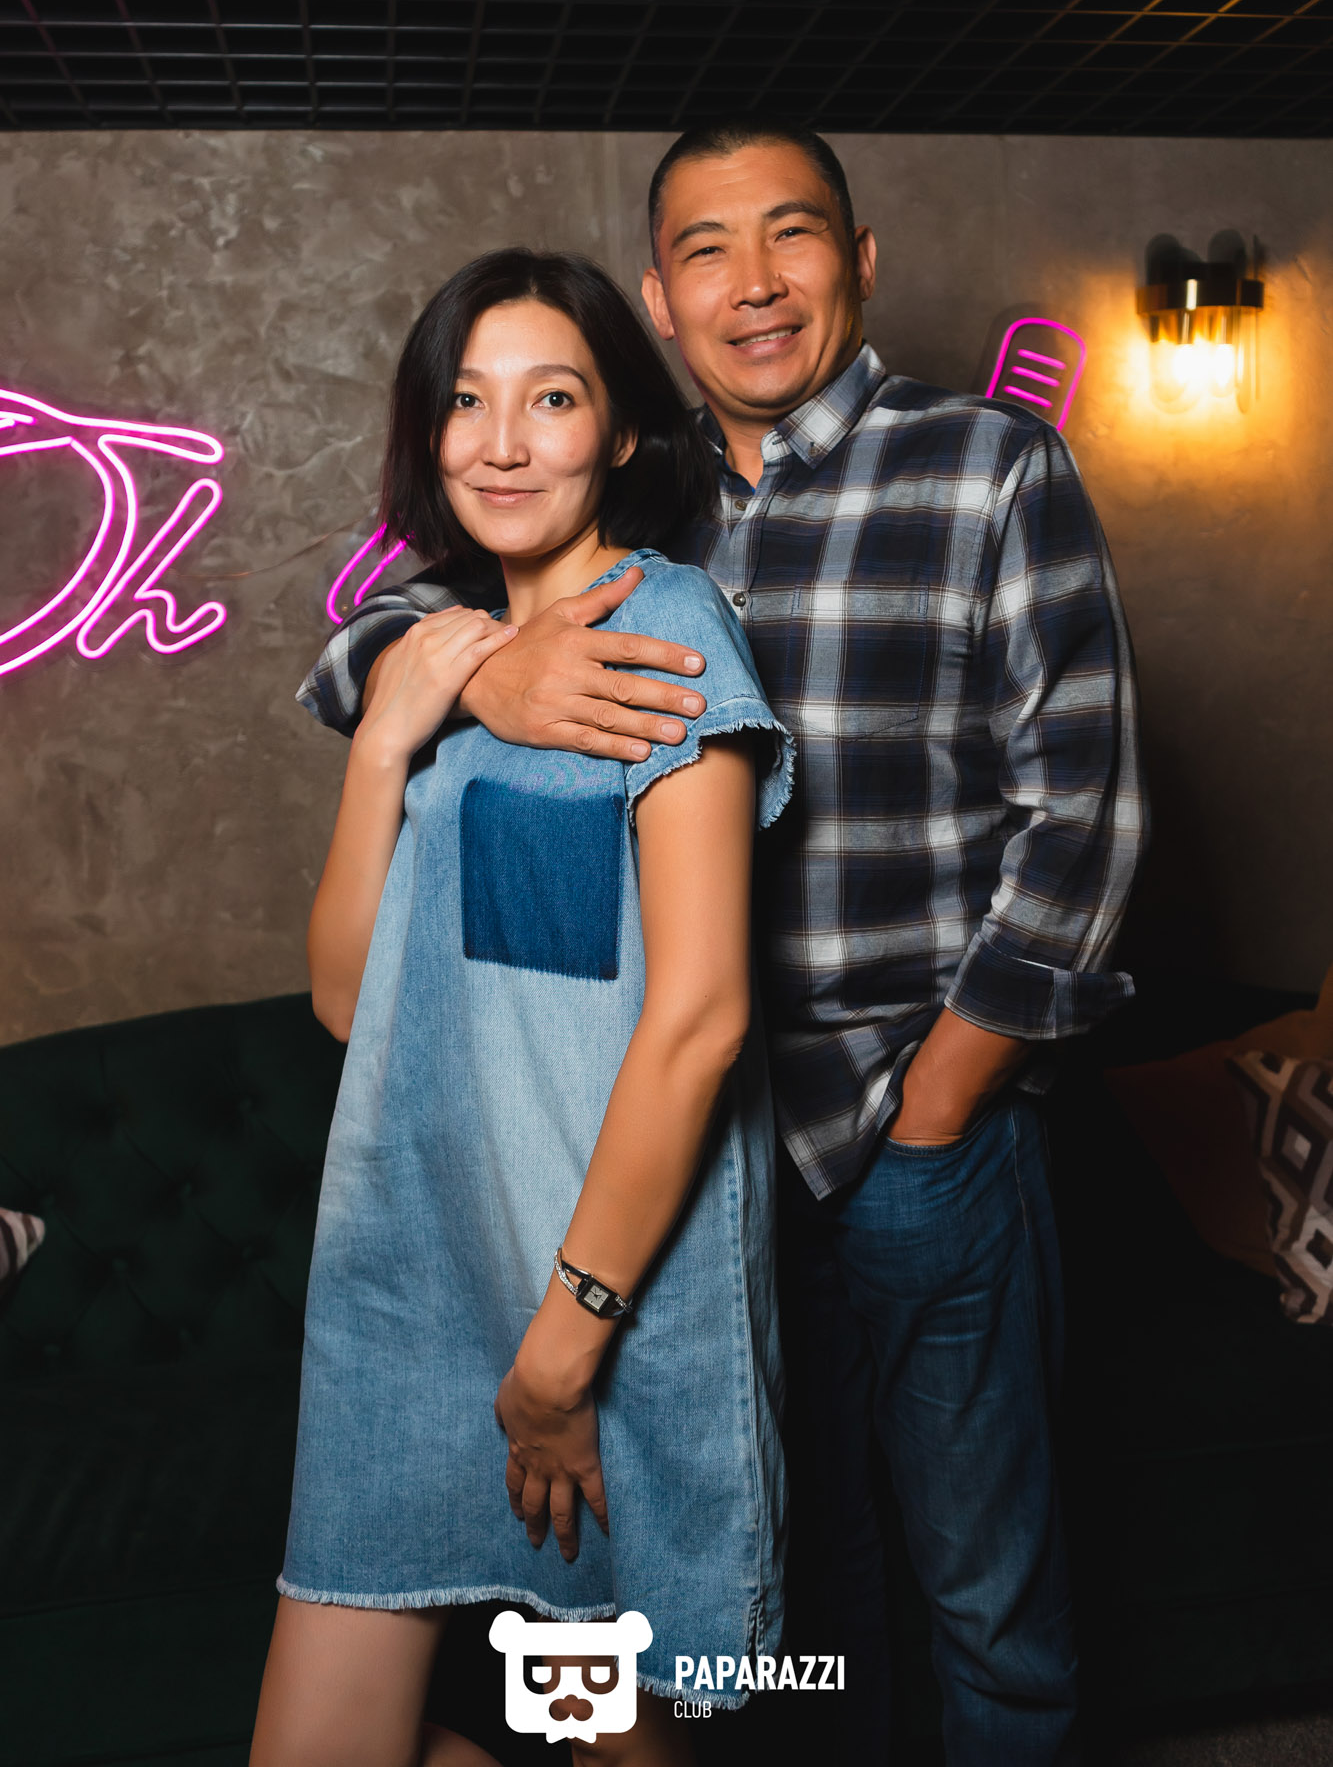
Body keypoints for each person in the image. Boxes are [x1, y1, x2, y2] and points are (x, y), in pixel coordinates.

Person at [299, 124, 1147, 1764]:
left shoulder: (984, 466)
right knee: (789, 1599)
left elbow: (1083, 821)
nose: (752, 283)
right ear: (658, 300)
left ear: (860, 261)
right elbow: (374, 644)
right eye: (705, 249)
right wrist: (486, 668)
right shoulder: (639, 481)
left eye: (791, 235)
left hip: (906, 1120)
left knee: (983, 1585)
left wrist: (943, 1099)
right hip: (699, 1164)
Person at [253, 249, 794, 1767]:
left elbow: (701, 1018)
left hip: (594, 1292)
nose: (501, 443)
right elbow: (349, 999)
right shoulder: (442, 654)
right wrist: (387, 740)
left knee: (610, 1735)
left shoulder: (669, 622)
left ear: (619, 430)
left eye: (551, 399)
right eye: (466, 402)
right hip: (415, 1285)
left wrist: (568, 1345)